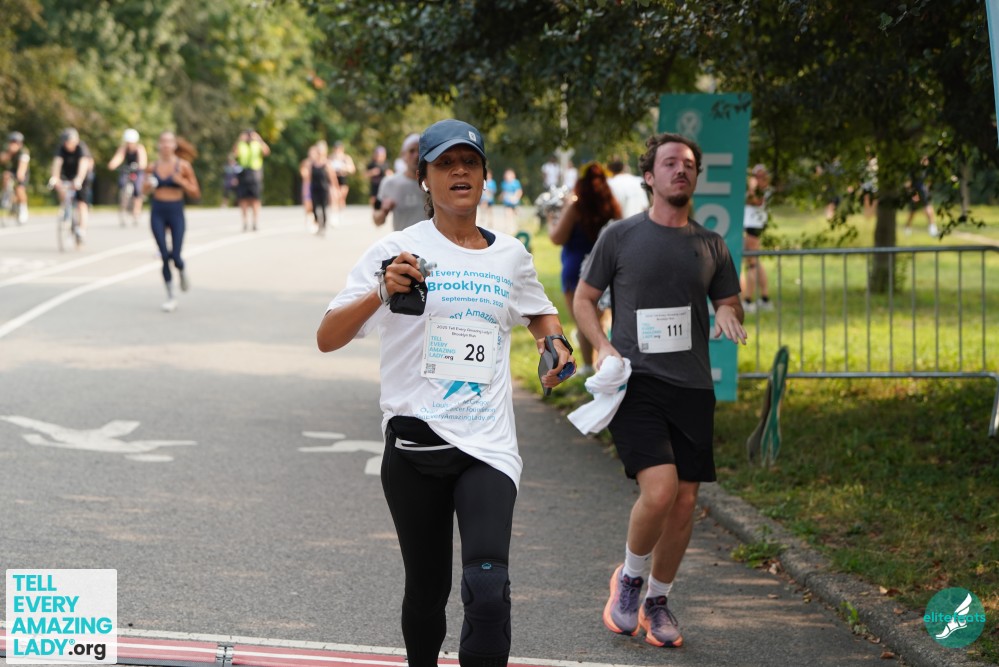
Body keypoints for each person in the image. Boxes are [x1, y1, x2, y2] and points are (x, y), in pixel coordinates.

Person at [317, 119, 574, 667]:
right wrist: (381, 290)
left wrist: (555, 346)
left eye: (470, 162)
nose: (460, 172)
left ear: (484, 175)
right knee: (427, 591)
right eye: (445, 164)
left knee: (488, 590)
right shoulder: (396, 249)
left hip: (487, 446)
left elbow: (540, 313)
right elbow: (328, 336)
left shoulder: (510, 255)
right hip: (416, 446)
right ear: (425, 179)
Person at [573, 132, 746, 649]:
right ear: (650, 177)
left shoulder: (710, 244)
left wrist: (727, 313)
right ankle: (629, 579)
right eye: (670, 163)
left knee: (686, 500)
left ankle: (658, 600)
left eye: (688, 163)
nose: (680, 170)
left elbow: (729, 300)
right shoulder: (621, 236)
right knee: (661, 489)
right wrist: (604, 346)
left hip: (693, 386)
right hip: (638, 381)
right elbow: (584, 299)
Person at [549, 161, 621, 373]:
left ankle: (589, 366)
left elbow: (557, 237)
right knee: (601, 319)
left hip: (575, 269)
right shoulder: (612, 207)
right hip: (605, 268)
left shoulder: (576, 208)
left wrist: (552, 219)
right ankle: (605, 364)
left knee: (584, 321)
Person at [143, 131, 200, 312]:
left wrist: (182, 182)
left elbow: (195, 192)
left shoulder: (183, 166)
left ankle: (181, 269)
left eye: (169, 142)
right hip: (158, 211)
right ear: (159, 145)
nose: (166, 145)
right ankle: (170, 296)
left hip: (176, 211)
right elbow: (142, 191)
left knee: (175, 255)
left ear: (175, 145)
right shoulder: (152, 167)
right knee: (164, 255)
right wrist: (148, 186)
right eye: (163, 142)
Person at [49, 128, 94, 241]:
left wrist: (79, 179)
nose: (67, 144)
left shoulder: (81, 148)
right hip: (68, 174)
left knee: (81, 203)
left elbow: (83, 165)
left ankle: (81, 229)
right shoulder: (61, 149)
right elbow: (57, 163)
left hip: (82, 176)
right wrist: (55, 178)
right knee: (61, 188)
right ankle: (66, 209)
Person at [373, 134, 425, 231]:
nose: (416, 155)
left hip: (429, 240)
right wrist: (384, 211)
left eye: (420, 151)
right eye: (411, 151)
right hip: (403, 240)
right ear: (403, 155)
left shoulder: (435, 182)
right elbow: (377, 220)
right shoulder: (389, 182)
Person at [741, 163, 772, 313]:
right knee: (756, 262)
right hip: (750, 225)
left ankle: (748, 300)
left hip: (754, 227)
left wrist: (752, 187)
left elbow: (755, 201)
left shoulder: (763, 191)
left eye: (760, 176)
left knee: (751, 264)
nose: (757, 179)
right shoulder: (754, 190)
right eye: (755, 176)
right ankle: (765, 298)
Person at [107, 128, 149, 226]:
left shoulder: (139, 148)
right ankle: (123, 208)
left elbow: (143, 162)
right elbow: (118, 157)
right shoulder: (123, 148)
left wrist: (140, 165)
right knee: (122, 183)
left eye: (131, 142)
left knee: (137, 190)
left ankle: (136, 212)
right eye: (128, 142)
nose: (129, 144)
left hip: (137, 170)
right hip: (126, 170)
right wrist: (112, 165)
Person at [232, 129, 270, 232]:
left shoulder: (257, 144)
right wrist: (240, 140)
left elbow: (266, 152)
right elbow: (234, 155)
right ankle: (245, 222)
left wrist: (259, 139)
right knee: (243, 199)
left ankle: (255, 222)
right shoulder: (241, 145)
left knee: (255, 199)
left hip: (255, 174)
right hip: (243, 174)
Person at [308, 141, 340, 236]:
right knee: (314, 207)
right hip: (314, 189)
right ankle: (317, 223)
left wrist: (335, 189)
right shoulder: (312, 164)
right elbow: (309, 178)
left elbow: (332, 177)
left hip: (324, 189)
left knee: (323, 208)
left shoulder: (327, 164)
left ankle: (323, 226)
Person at [1, 131, 30, 224]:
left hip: (22, 171)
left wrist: (20, 175)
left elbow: (22, 165)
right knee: (5, 175)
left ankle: (23, 208)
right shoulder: (8, 150)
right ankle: (6, 195)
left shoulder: (23, 151)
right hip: (12, 170)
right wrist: (9, 153)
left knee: (20, 189)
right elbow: (2, 159)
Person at [903, 157, 937, 237]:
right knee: (913, 211)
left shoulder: (927, 171)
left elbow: (929, 181)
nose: (926, 162)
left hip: (923, 192)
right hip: (916, 193)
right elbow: (908, 182)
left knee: (927, 208)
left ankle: (932, 227)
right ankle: (908, 227)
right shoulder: (915, 170)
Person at [330, 140, 356, 214]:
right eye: (336, 148)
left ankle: (340, 212)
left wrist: (344, 167)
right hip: (333, 179)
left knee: (341, 197)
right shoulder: (331, 157)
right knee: (335, 197)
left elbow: (352, 169)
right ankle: (335, 213)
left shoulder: (346, 158)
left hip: (343, 178)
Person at [499, 168, 522, 234]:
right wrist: (501, 197)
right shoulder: (504, 183)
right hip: (507, 202)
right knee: (507, 214)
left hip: (514, 202)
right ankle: (508, 228)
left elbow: (519, 191)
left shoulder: (516, 183)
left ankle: (516, 227)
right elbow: (504, 192)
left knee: (514, 215)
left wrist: (516, 197)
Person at [299, 146, 317, 229]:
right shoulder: (305, 162)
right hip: (307, 185)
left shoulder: (318, 163)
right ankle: (309, 218)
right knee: (307, 203)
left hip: (316, 185)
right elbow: (303, 173)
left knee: (314, 203)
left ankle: (314, 220)